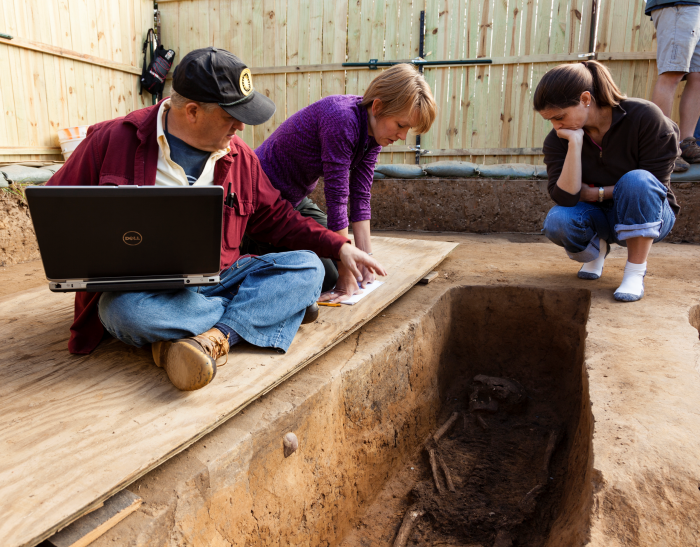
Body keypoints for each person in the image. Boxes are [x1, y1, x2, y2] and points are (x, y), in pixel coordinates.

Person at [46, 47, 386, 391]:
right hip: (143, 293)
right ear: (192, 111)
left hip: (222, 276)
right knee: (122, 313)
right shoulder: (112, 140)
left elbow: (278, 217)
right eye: (232, 116)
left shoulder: (240, 156)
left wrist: (340, 246)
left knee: (309, 269)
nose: (240, 126)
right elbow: (55, 209)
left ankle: (205, 338)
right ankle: (262, 315)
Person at [249, 64, 436, 302]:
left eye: (408, 129)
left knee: (347, 257)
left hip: (295, 200)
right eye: (401, 125)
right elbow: (337, 198)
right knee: (330, 274)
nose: (402, 136)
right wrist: (346, 273)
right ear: (377, 107)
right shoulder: (341, 119)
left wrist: (365, 257)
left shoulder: (374, 135)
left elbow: (360, 195)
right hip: (263, 203)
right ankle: (250, 249)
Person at [535, 61, 679, 302]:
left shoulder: (645, 117)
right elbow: (565, 198)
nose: (556, 126)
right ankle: (596, 252)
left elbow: (655, 186)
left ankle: (635, 271)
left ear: (585, 98)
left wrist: (595, 194)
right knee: (557, 220)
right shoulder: (559, 139)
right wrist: (575, 144)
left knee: (637, 181)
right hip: (598, 217)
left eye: (559, 117)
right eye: (549, 120)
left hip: (651, 215)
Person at [646, 0, 700, 172]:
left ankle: (687, 143)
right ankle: (662, 146)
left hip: (695, 7)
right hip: (678, 4)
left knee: (697, 76)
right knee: (672, 73)